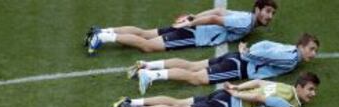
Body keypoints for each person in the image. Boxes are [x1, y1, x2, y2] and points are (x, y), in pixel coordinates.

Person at [132, 33, 319, 94]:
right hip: (240, 67)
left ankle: (147, 65)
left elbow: (266, 46)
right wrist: (248, 53)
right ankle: (151, 75)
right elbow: (266, 57)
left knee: (192, 65)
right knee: (196, 78)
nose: (313, 53)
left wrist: (247, 50)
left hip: (235, 59)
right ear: (301, 46)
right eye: (311, 49)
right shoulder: (291, 59)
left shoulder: (288, 48)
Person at [110, 72, 320, 107]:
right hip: (230, 105)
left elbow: (258, 82)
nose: (312, 94)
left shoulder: (284, 87)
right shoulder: (288, 102)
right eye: (310, 89)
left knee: (180, 103)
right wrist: (236, 93)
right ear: (299, 87)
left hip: (226, 96)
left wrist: (237, 87)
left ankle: (131, 102)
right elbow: (260, 97)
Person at [85, 2, 278, 55]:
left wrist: (194, 17)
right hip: (196, 35)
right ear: (258, 9)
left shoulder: (247, 18)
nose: (269, 16)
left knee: (145, 33)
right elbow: (215, 18)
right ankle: (102, 38)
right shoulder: (245, 22)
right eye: (267, 11)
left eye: (272, 14)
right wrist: (191, 23)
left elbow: (219, 11)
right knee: (147, 45)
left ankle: (102, 31)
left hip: (194, 28)